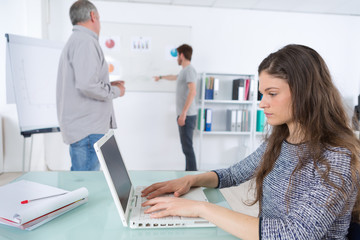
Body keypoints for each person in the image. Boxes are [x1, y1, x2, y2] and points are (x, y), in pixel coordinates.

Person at [142, 44, 360, 239]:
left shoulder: (337, 157)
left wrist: (201, 209)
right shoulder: (280, 141)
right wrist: (192, 180)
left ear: (306, 92)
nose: (262, 104)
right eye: (262, 94)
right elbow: (233, 174)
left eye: (272, 93)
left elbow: (294, 234)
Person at [56, 0, 125, 171]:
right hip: (88, 130)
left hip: (84, 128)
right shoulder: (86, 41)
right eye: (99, 18)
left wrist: (108, 85)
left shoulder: (78, 40)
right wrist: (116, 90)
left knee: (83, 182)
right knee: (86, 185)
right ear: (93, 16)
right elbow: (87, 85)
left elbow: (84, 81)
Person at [154, 44, 198, 171]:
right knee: (186, 148)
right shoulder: (184, 71)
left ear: (182, 55)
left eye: (177, 55)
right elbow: (174, 77)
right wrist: (161, 77)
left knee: (187, 148)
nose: (177, 58)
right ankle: (189, 175)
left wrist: (183, 114)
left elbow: (193, 91)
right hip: (185, 115)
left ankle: (192, 177)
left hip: (187, 115)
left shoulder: (189, 70)